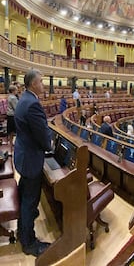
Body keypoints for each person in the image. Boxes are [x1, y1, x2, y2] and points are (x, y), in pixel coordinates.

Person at [14, 69, 52, 257]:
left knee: (24, 197)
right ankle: (29, 243)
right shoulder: (33, 104)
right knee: (30, 201)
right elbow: (43, 139)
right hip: (30, 159)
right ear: (32, 84)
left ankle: (23, 230)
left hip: (23, 155)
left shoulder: (23, 100)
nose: (43, 85)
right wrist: (49, 144)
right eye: (41, 81)